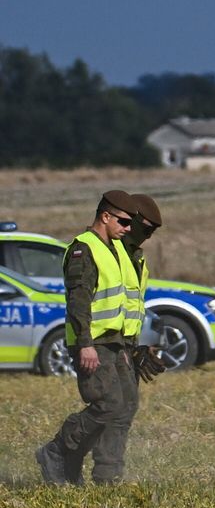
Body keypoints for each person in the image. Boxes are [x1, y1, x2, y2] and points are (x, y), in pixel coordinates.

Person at [36, 191, 146, 485]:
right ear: (105, 216)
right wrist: (85, 345)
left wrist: (130, 345)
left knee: (125, 405)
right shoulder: (83, 249)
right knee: (108, 404)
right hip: (92, 343)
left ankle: (106, 475)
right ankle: (57, 451)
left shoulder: (117, 248)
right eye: (124, 221)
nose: (128, 228)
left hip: (115, 343)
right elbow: (78, 302)